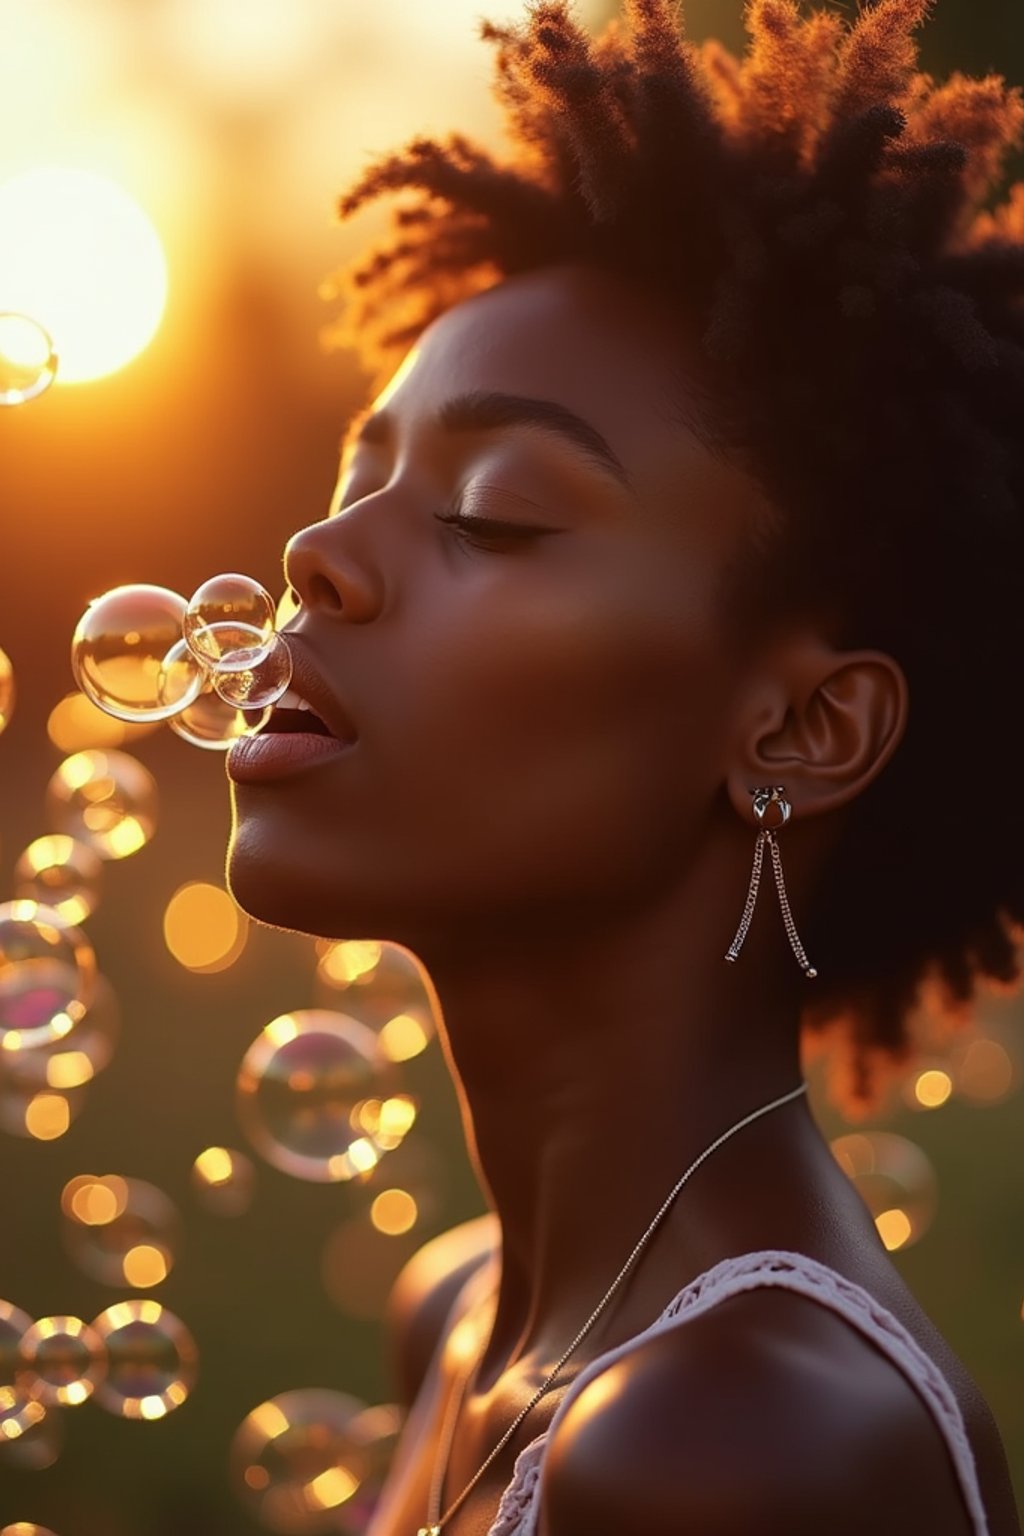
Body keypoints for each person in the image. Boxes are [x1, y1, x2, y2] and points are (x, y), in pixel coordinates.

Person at [224, 1, 1024, 1531]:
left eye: (496, 513)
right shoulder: (463, 1317)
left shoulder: (740, 1449)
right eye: (354, 480)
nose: (318, 557)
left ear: (803, 730)